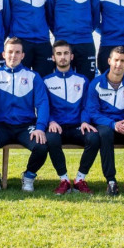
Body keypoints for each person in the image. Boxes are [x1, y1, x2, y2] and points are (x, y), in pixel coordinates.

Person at [0, 37, 50, 191]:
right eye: (10, 52)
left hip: (26, 126)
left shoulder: (33, 77)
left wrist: (40, 128)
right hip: (1, 126)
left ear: (23, 55)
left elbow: (42, 104)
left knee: (41, 146)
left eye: (17, 52)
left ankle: (28, 177)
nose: (13, 56)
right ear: (3, 54)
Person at [86, 46, 124, 196]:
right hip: (107, 125)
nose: (118, 64)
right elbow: (93, 112)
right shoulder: (96, 84)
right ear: (109, 61)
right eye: (116, 60)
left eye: (122, 61)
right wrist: (112, 124)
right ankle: (111, 181)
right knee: (104, 133)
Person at [43, 40, 101, 194]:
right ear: (53, 57)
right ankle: (64, 181)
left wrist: (84, 121)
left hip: (77, 126)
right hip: (57, 126)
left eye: (66, 53)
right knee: (51, 139)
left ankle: (80, 180)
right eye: (59, 54)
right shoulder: (46, 81)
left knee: (94, 138)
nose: (62, 57)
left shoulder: (82, 80)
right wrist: (51, 121)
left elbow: (86, 106)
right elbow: (43, 106)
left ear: (72, 56)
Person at [47, 0, 99, 81]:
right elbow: (49, 17)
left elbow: (96, 16)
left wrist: (85, 30)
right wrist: (60, 32)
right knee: (62, 81)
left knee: (87, 82)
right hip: (62, 43)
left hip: (85, 42)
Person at [4, 0, 53, 77]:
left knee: (45, 82)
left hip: (43, 43)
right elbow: (5, 18)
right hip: (20, 42)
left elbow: (50, 16)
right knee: (21, 82)